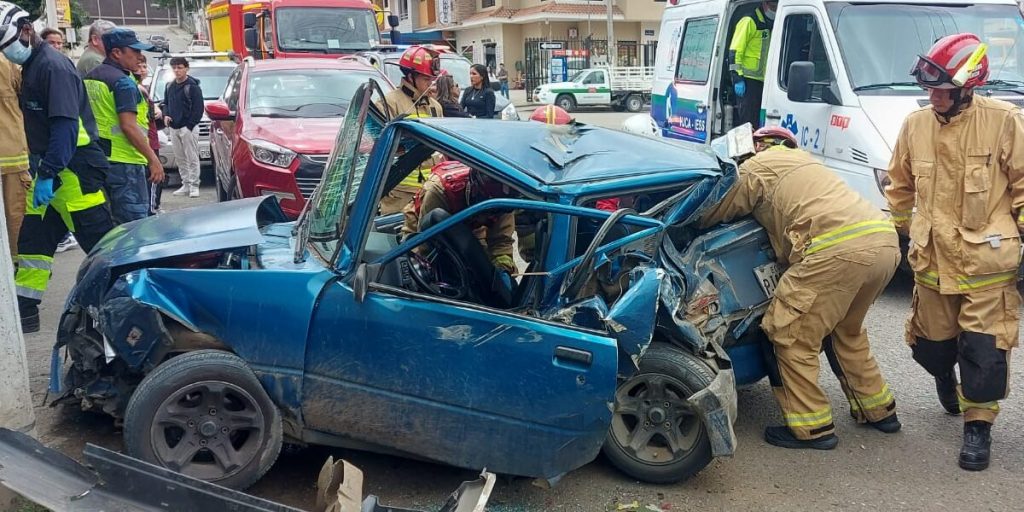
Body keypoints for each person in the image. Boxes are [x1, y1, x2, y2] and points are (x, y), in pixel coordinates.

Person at [700, 125, 901, 450]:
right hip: (883, 244)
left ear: (756, 148)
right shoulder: (806, 163)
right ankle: (880, 411)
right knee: (843, 331)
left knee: (789, 334)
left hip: (835, 254)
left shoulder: (757, 167)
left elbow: (713, 211)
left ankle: (812, 428)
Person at [886, 33, 1024, 471]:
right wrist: (900, 232)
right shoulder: (915, 125)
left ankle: (978, 427)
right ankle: (944, 377)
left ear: (968, 86)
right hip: (931, 263)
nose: (933, 96)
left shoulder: (1005, 122)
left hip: (987, 264)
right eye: (929, 88)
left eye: (942, 89)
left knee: (983, 354)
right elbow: (900, 187)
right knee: (931, 348)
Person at [0, 1, 115, 333]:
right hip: (51, 171)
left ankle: (121, 308)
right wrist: (45, 175)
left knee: (100, 248)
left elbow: (65, 127)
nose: (7, 55)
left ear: (26, 32)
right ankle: (25, 313)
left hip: (75, 172)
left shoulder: (53, 68)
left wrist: (48, 174)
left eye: (8, 47)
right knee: (33, 246)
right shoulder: (33, 66)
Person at [84, 28, 164, 224]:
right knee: (134, 228)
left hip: (98, 159)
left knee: (112, 227)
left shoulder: (90, 77)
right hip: (127, 162)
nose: (140, 57)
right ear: (117, 53)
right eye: (135, 51)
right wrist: (153, 159)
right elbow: (128, 126)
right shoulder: (124, 83)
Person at [401, 162, 516, 276]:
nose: (490, 216)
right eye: (488, 209)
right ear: (474, 190)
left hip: (471, 229)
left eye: (496, 210)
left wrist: (502, 270)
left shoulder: (503, 202)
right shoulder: (440, 191)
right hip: (421, 230)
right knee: (421, 272)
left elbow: (501, 242)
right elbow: (426, 244)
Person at [378, 45, 444, 215]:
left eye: (432, 80)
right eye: (425, 80)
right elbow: (377, 147)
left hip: (431, 191)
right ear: (410, 77)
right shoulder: (389, 103)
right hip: (399, 193)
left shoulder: (435, 107)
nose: (431, 86)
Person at [160, 56, 204, 198]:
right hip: (174, 127)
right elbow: (165, 103)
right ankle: (185, 184)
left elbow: (199, 109)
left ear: (186, 68)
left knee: (192, 157)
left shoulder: (192, 86)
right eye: (174, 67)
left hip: (188, 128)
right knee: (180, 157)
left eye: (180, 67)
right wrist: (166, 115)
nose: (177, 70)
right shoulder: (170, 86)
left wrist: (189, 125)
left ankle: (194, 185)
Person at [729, 0, 776, 128]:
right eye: (773, 6)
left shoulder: (772, 23)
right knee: (748, 124)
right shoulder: (749, 21)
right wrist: (737, 78)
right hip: (747, 82)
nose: (775, 9)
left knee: (759, 124)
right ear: (764, 4)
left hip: (765, 83)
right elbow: (734, 52)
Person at [0, 52, 29, 261]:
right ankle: (14, 268)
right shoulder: (7, 61)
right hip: (10, 154)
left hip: (10, 152)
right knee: (15, 218)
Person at [136, 55, 163, 214]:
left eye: (144, 66)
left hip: (150, 139)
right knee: (154, 178)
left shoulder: (143, 88)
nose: (142, 70)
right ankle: (151, 211)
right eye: (138, 66)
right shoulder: (138, 89)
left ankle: (151, 208)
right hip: (147, 142)